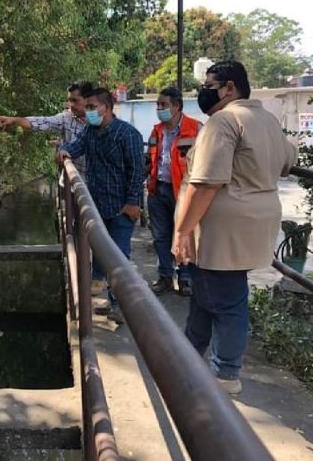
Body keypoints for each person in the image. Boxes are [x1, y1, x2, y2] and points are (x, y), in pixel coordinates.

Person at [172, 61, 297, 395]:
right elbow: (288, 160)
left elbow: (205, 184)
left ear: (229, 88)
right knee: (206, 292)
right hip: (258, 219)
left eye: (210, 85)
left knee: (227, 300)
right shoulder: (267, 120)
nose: (204, 92)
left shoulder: (224, 121)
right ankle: (189, 354)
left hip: (224, 226)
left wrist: (183, 231)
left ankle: (226, 373)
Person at [56, 88, 145, 324]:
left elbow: (138, 172)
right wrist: (65, 151)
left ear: (106, 107)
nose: (88, 111)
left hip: (120, 208)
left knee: (119, 258)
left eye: (92, 106)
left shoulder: (128, 135)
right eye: (87, 107)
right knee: (101, 253)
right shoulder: (90, 131)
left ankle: (122, 307)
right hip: (97, 205)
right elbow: (76, 146)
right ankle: (109, 299)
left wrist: (132, 203)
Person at [146, 87, 203, 296]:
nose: (159, 108)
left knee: (184, 234)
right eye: (158, 104)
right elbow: (149, 160)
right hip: (158, 189)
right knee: (160, 237)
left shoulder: (196, 129)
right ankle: (165, 277)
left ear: (177, 106)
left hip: (183, 192)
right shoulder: (156, 131)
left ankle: (185, 279)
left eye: (163, 104)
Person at [0, 81, 93, 172]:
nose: (71, 105)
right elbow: (43, 122)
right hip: (71, 181)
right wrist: (13, 120)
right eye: (70, 101)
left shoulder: (101, 121)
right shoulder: (66, 118)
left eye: (75, 101)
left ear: (88, 100)